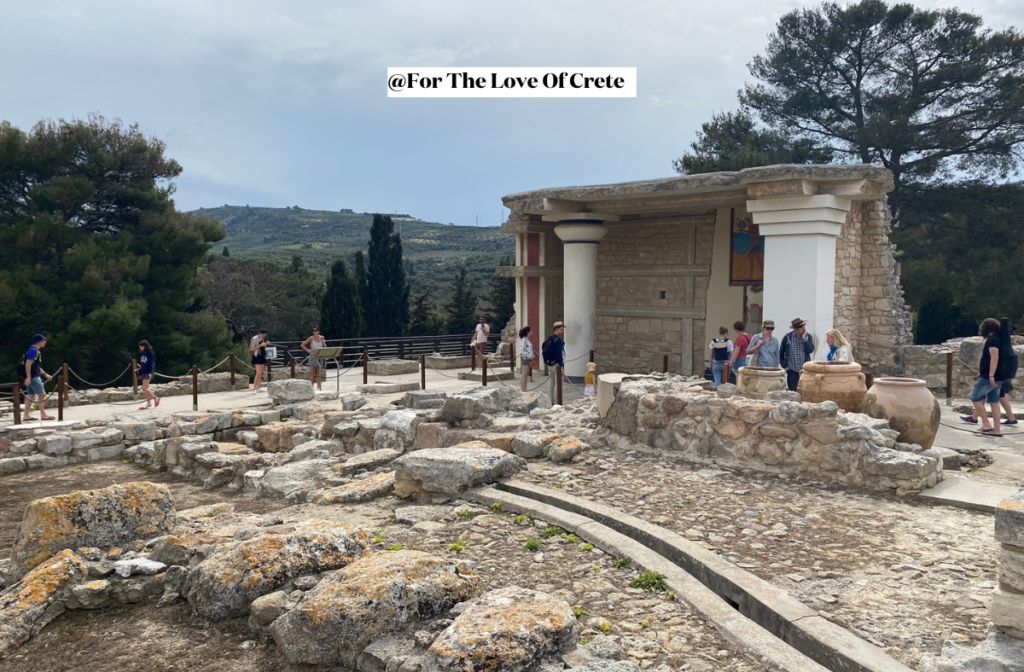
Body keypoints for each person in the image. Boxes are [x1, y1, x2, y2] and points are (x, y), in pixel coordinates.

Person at [969, 318, 1007, 437]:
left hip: (990, 377)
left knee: (975, 397)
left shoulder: (992, 340)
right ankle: (996, 429)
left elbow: (994, 358)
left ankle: (986, 424)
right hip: (999, 376)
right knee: (994, 401)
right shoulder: (1000, 339)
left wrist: (990, 375)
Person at [22, 334, 53, 421]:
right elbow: (28, 364)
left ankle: (26, 415)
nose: (45, 342)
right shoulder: (33, 351)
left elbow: (36, 366)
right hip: (33, 376)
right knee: (42, 394)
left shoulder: (34, 351)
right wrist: (29, 377)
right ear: (39, 341)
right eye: (44, 340)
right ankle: (43, 414)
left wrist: (45, 374)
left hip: (32, 375)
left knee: (31, 395)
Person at [779, 318, 815, 392]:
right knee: (793, 392)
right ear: (796, 329)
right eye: (802, 327)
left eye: (804, 326)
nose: (804, 329)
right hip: (792, 371)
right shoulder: (787, 338)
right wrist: (785, 365)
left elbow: (811, 350)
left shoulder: (808, 337)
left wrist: (804, 340)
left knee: (804, 392)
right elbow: (781, 353)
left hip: (804, 371)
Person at [543, 321, 566, 403]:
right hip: (557, 364)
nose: (563, 331)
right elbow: (559, 354)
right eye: (561, 329)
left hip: (550, 363)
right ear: (556, 329)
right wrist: (562, 366)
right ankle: (558, 401)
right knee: (558, 383)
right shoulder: (558, 341)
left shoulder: (550, 338)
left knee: (551, 383)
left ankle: (550, 400)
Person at [136, 340, 159, 410]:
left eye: (142, 346)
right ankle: (148, 403)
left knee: (144, 388)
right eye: (140, 347)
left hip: (148, 372)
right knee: (146, 388)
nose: (140, 348)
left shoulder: (150, 353)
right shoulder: (143, 354)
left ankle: (155, 398)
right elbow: (143, 364)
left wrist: (150, 373)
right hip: (144, 372)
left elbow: (152, 364)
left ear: (145, 346)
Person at [250, 329, 271, 394]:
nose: (264, 337)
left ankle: (258, 386)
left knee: (261, 373)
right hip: (257, 356)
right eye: (263, 335)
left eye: (265, 336)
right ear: (260, 333)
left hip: (262, 356)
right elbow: (253, 348)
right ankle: (254, 388)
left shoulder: (262, 339)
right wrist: (260, 345)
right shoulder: (254, 338)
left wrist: (266, 344)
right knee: (258, 372)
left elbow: (263, 348)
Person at [518, 326, 535, 392]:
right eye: (530, 331)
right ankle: (523, 389)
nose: (531, 332)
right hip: (525, 358)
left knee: (526, 374)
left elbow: (530, 349)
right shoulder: (523, 340)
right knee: (524, 374)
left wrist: (532, 355)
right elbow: (522, 350)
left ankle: (525, 388)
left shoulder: (527, 340)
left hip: (529, 359)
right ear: (528, 332)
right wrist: (528, 356)